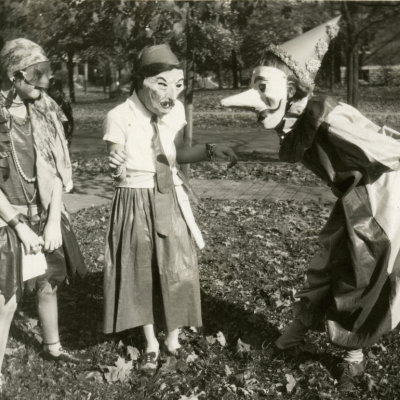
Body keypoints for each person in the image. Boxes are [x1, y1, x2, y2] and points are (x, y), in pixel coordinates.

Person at [221, 15, 400, 391]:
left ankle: (352, 356)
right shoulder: (296, 118)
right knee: (326, 262)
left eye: (264, 85)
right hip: (354, 196)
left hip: (381, 196)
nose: (256, 99)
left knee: (359, 275)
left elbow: (388, 151)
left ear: (292, 86)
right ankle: (292, 337)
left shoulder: (329, 116)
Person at [103, 44, 238, 371]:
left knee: (178, 265)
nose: (171, 93)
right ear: (141, 80)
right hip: (135, 197)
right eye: (161, 84)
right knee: (141, 269)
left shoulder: (175, 112)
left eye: (177, 85)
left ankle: (173, 338)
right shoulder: (119, 116)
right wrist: (115, 163)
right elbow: (116, 169)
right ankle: (150, 340)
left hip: (169, 196)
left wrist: (210, 150)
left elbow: (177, 153)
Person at [0, 38, 89, 393]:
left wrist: (53, 219)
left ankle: (53, 348)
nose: (46, 80)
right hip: (8, 218)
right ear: (13, 74)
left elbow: (54, 167)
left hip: (44, 212)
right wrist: (18, 225)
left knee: (49, 282)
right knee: (5, 299)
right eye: (37, 73)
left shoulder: (45, 108)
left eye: (48, 71)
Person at [48, 78, 74, 193]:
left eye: (56, 90)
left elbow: (69, 121)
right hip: (50, 134)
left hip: (62, 134)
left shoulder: (64, 103)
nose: (54, 93)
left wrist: (67, 136)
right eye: (52, 90)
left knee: (64, 157)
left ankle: (68, 182)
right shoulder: (46, 102)